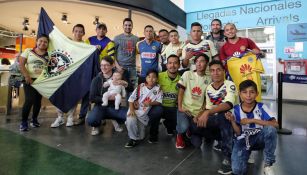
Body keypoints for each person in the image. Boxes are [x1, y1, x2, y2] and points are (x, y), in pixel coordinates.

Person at [225, 80, 278, 175]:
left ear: (257, 94)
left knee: (270, 129)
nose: (248, 95)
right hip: (243, 142)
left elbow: (275, 125)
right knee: (238, 171)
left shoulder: (262, 107)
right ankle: (247, 154)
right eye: (245, 92)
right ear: (239, 94)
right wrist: (232, 120)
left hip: (259, 139)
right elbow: (237, 133)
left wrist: (253, 120)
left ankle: (268, 164)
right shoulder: (235, 110)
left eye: (252, 92)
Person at [194, 60, 237, 175]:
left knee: (224, 116)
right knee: (196, 125)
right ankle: (223, 141)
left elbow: (228, 104)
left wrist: (207, 113)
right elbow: (209, 108)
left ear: (223, 71)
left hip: (232, 119)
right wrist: (200, 115)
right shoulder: (209, 88)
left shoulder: (230, 84)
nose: (216, 73)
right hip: (217, 119)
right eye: (212, 70)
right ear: (210, 73)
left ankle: (228, 158)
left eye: (218, 70)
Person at [51, 24, 86, 128]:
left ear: (83, 33)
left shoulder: (85, 46)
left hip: (76, 75)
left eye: (80, 31)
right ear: (73, 32)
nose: (78, 33)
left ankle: (71, 117)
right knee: (60, 95)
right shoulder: (67, 43)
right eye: (76, 31)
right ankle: (60, 117)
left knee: (73, 97)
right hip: (64, 74)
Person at [220, 23, 264, 102]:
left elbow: (259, 52)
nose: (230, 31)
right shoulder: (223, 47)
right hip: (234, 77)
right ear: (224, 33)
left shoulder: (246, 41)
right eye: (227, 30)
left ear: (236, 30)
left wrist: (248, 50)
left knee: (252, 97)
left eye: (232, 29)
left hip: (249, 75)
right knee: (237, 99)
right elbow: (223, 63)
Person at [86, 56, 129, 135]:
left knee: (130, 116)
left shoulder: (118, 76)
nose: (103, 67)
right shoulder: (96, 79)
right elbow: (92, 98)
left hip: (115, 107)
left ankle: (114, 119)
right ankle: (96, 125)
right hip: (100, 106)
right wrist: (108, 98)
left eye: (106, 65)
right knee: (91, 120)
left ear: (112, 65)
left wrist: (125, 83)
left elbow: (130, 88)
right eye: (102, 65)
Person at [175, 54, 211, 149]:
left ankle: (189, 130)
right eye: (197, 61)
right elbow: (181, 92)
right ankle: (180, 134)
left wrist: (200, 114)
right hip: (185, 109)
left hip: (197, 113)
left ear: (206, 64)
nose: (199, 64)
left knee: (197, 144)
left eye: (202, 61)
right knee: (183, 126)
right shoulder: (188, 74)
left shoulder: (209, 79)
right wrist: (180, 107)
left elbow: (206, 100)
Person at [19, 34, 50, 131]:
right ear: (37, 41)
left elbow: (50, 69)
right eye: (40, 41)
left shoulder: (49, 55)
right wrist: (27, 76)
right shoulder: (28, 51)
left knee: (37, 101)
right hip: (29, 79)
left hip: (41, 81)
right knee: (29, 100)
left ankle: (34, 120)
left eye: (45, 42)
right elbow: (21, 64)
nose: (42, 43)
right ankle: (23, 122)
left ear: (48, 44)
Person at [125, 69, 163, 148]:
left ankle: (136, 131)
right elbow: (131, 99)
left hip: (143, 115)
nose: (151, 79)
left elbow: (159, 101)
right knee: (131, 119)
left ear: (157, 79)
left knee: (141, 137)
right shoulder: (140, 87)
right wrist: (132, 110)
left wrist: (151, 103)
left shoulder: (158, 89)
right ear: (146, 78)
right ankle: (132, 139)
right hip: (135, 110)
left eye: (153, 77)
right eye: (149, 77)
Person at [113, 18, 139, 91]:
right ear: (123, 26)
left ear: (132, 26)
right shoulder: (117, 38)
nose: (128, 27)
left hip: (132, 69)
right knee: (117, 90)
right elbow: (113, 54)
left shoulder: (136, 39)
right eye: (126, 25)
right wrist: (118, 67)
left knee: (132, 90)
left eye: (129, 25)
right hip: (120, 68)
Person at [158, 54, 181, 135]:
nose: (172, 65)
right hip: (159, 106)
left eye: (175, 63)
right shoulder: (158, 76)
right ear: (166, 65)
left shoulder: (182, 79)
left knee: (175, 128)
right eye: (170, 63)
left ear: (179, 65)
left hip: (173, 108)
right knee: (155, 112)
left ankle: (168, 124)